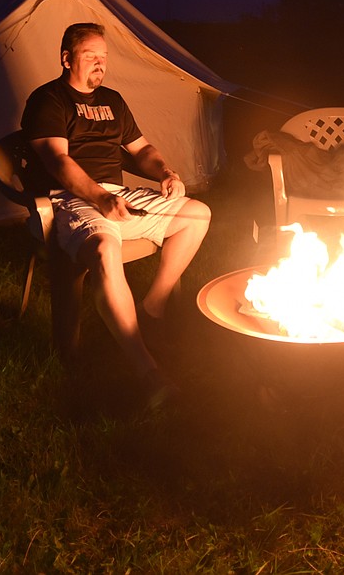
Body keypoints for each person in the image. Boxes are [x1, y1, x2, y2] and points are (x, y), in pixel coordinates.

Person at [21, 22, 211, 406]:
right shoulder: (49, 100)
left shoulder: (114, 100)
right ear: (66, 58)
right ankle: (148, 371)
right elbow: (58, 162)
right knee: (106, 248)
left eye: (103, 58)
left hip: (118, 193)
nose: (99, 65)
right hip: (73, 199)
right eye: (91, 56)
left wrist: (165, 172)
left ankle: (151, 308)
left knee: (198, 215)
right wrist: (98, 198)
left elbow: (141, 150)